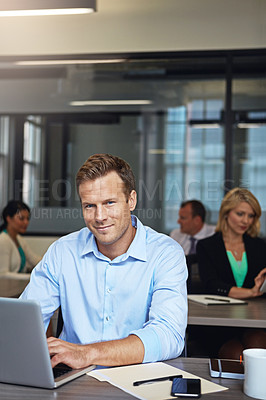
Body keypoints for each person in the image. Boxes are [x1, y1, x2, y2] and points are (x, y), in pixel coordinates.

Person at [20, 153, 187, 369]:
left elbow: (169, 335)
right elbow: (24, 321)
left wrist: (87, 354)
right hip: (72, 380)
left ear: (131, 200)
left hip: (137, 378)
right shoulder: (63, 251)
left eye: (109, 203)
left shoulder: (165, 253)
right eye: (89, 206)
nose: (99, 217)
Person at [197, 187, 266, 358]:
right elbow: (211, 285)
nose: (246, 221)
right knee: (235, 354)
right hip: (217, 323)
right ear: (226, 213)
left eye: (251, 216)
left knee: (258, 345)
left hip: (253, 320)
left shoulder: (259, 246)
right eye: (240, 214)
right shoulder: (207, 246)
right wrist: (250, 292)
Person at [0, 200, 41, 275]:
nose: (26, 222)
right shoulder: (3, 240)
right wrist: (27, 277)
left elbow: (35, 261)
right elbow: (3, 274)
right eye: (21, 219)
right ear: (8, 218)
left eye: (27, 219)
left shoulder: (19, 239)